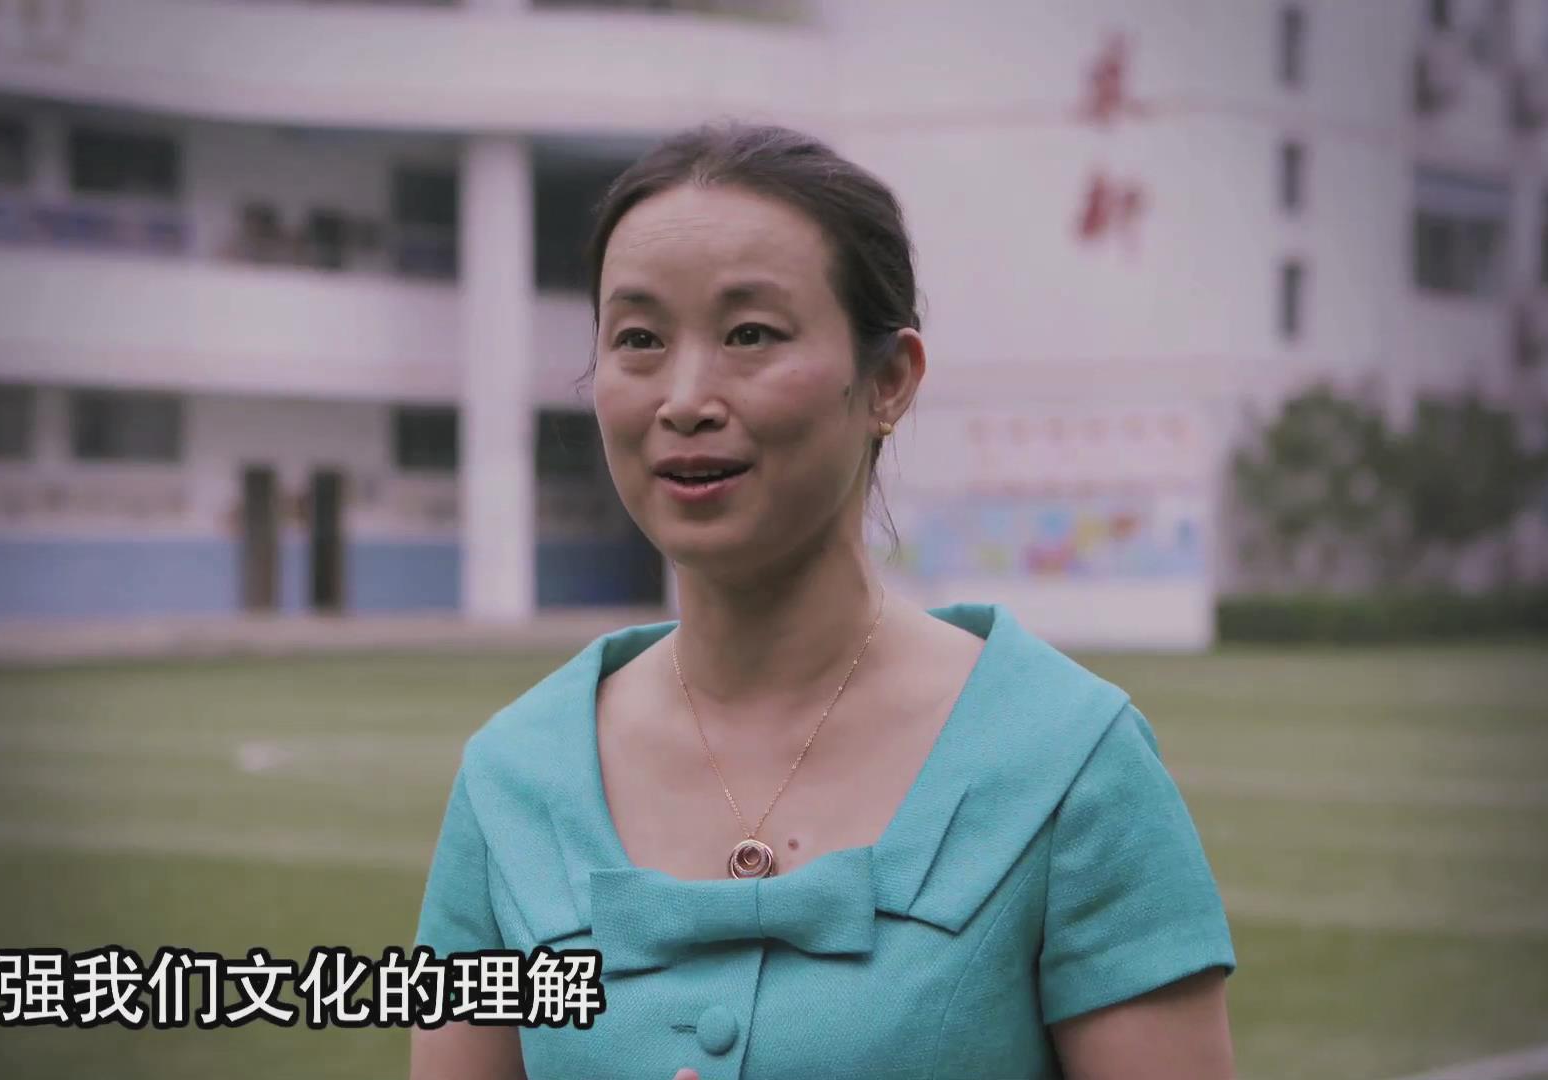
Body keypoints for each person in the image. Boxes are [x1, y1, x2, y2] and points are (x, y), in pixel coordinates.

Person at [409, 121, 1237, 1080]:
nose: (685, 398)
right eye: (638, 340)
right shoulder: (510, 781)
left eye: (749, 335)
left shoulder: (1069, 762)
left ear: (888, 381)